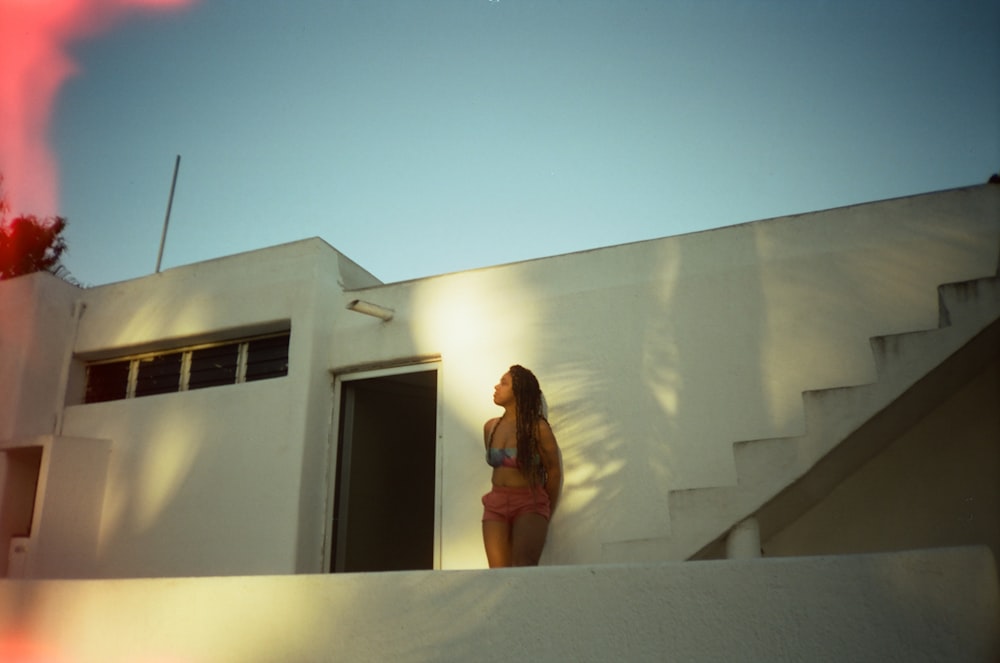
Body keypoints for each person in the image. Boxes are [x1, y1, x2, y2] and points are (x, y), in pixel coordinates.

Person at [481, 365, 562, 567]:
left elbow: (553, 471)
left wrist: (544, 508)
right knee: (497, 572)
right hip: (495, 503)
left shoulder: (537, 428)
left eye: (504, 383)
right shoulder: (490, 427)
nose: (496, 387)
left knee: (523, 566)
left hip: (529, 502)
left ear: (518, 391)